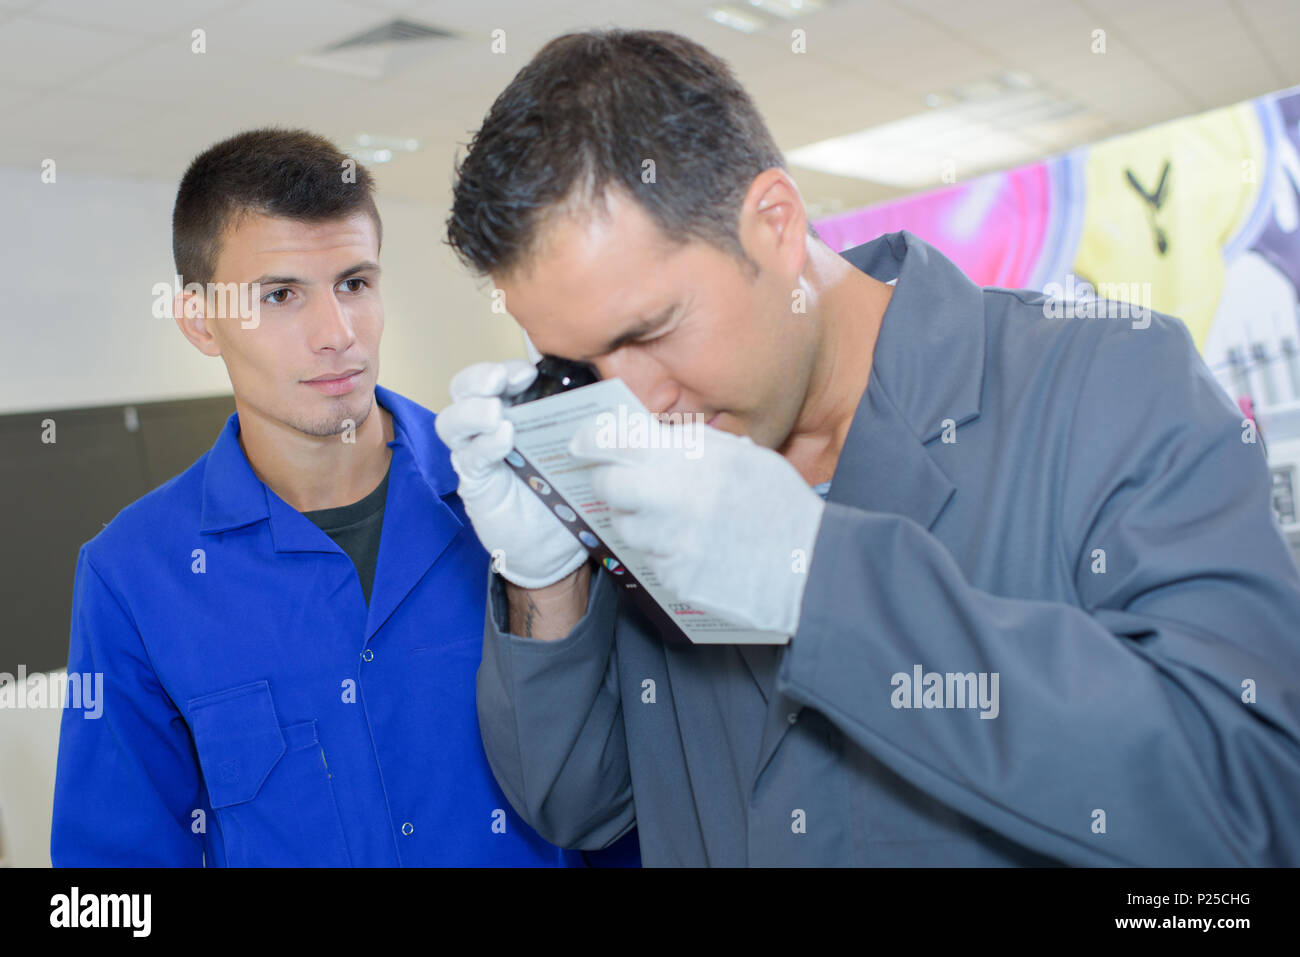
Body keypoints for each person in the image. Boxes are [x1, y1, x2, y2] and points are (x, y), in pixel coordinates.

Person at [435, 29, 1300, 866]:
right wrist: (546, 577)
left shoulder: (1107, 382)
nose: (635, 407)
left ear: (774, 222)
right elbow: (581, 804)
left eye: (653, 329)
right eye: (579, 364)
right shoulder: (646, 462)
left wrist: (820, 580)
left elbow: (1254, 797)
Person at [51, 127, 637, 866]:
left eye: (355, 283)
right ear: (201, 321)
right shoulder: (133, 575)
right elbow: (113, 873)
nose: (337, 333)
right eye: (281, 295)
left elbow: (628, 808)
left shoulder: (524, 496)